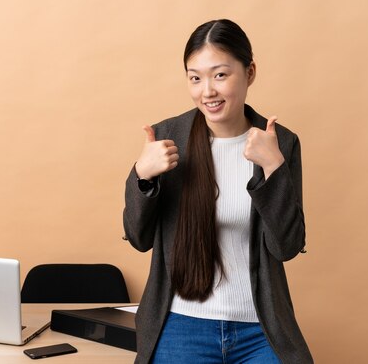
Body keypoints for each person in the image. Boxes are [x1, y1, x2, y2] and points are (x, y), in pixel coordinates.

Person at [122, 19, 313, 364]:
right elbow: (138, 237)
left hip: (261, 328)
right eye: (195, 78)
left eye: (220, 75)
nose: (206, 91)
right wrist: (142, 176)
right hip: (180, 325)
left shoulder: (280, 143)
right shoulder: (168, 138)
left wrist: (272, 170)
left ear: (249, 72)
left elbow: (286, 247)